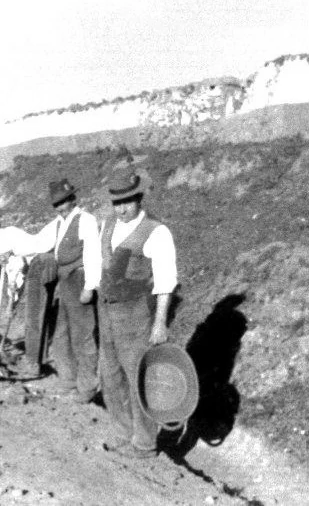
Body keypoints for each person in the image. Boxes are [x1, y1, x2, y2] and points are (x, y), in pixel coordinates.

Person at [96, 167, 178, 459]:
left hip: (135, 314)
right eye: (116, 202)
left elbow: (166, 281)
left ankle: (144, 443)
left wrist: (159, 323)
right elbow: (100, 264)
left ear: (139, 198)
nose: (121, 208)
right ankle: (125, 432)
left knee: (137, 376)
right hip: (106, 310)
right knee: (110, 374)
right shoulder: (107, 225)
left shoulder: (156, 231)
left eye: (127, 202)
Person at [0, 178, 102, 404]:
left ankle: (87, 389)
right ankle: (68, 380)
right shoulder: (58, 223)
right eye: (56, 204)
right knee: (61, 334)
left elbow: (94, 253)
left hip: (81, 278)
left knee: (82, 336)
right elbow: (36, 243)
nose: (61, 207)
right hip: (65, 282)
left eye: (64, 202)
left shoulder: (85, 220)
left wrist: (89, 287)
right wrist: (11, 250)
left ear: (73, 199)